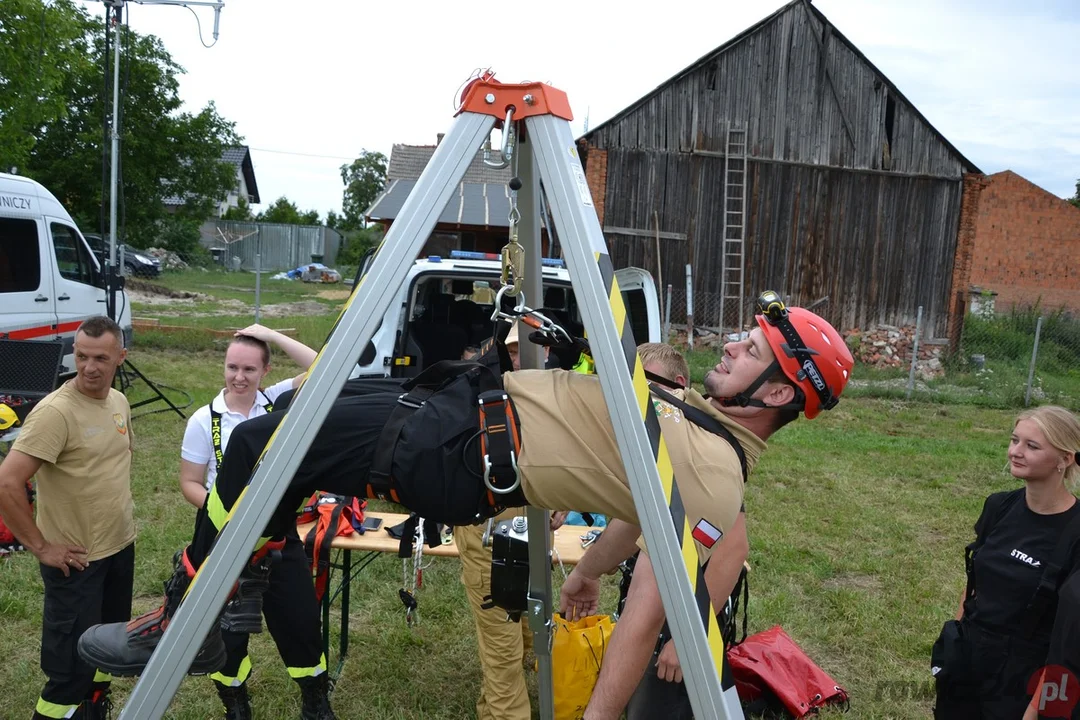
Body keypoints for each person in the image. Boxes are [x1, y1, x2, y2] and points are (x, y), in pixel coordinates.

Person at [77, 296, 853, 685]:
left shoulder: (718, 478)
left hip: (456, 455)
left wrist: (612, 703)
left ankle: (187, 620)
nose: (732, 346)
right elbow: (635, 516)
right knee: (268, 438)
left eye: (753, 350)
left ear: (780, 396)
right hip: (463, 411)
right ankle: (219, 602)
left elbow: (654, 601)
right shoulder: (701, 424)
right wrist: (585, 574)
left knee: (257, 442)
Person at [559, 342, 751, 720]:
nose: (636, 398)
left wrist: (688, 638)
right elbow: (637, 522)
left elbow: (735, 548)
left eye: (646, 383)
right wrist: (587, 570)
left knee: (657, 707)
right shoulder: (659, 444)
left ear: (678, 386)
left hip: (688, 613)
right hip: (660, 603)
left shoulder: (700, 451)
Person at [179, 325, 335, 719]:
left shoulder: (278, 402)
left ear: (265, 370)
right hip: (225, 543)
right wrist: (233, 520)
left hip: (278, 540)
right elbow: (189, 483)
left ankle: (314, 700)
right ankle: (235, 702)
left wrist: (273, 335)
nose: (239, 377)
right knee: (227, 635)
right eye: (232, 367)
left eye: (249, 368)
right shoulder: (204, 420)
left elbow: (327, 367)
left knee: (300, 621)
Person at [0, 316, 133, 720]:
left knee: (105, 654)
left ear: (121, 358)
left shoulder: (118, 402)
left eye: (100, 358)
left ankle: (93, 712)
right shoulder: (55, 412)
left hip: (118, 549)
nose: (89, 367)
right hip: (75, 562)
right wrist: (40, 546)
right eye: (81, 356)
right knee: (69, 674)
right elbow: (7, 482)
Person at [934, 405, 1080, 720]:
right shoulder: (999, 505)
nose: (1016, 451)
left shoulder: (1075, 534)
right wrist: (954, 641)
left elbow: (1068, 638)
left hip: (1023, 677)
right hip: (968, 660)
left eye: (1032, 446)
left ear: (1065, 459)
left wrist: (1035, 709)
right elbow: (975, 583)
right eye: (1015, 440)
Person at [455, 322, 568, 720]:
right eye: (516, 351)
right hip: (489, 540)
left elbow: (565, 462)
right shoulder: (475, 400)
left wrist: (563, 497)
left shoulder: (554, 398)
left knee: (524, 633)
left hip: (535, 539)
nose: (527, 360)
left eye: (536, 351)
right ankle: (505, 711)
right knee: (503, 650)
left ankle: (494, 702)